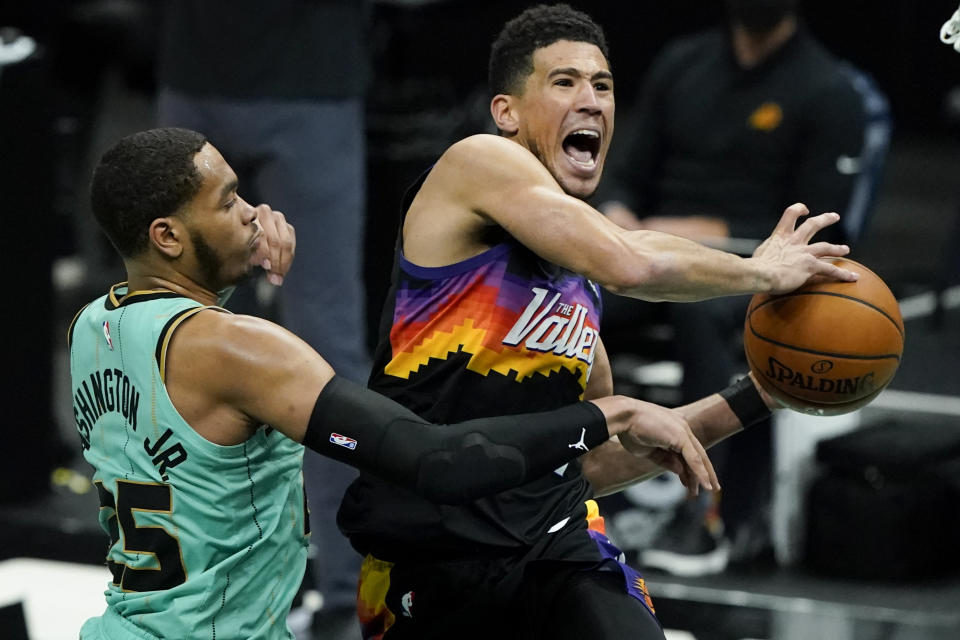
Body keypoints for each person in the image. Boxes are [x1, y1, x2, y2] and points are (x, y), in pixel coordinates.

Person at [70, 126, 726, 640]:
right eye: (229, 201)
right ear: (167, 235)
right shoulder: (236, 350)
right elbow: (434, 462)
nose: (255, 212)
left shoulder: (93, 328)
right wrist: (609, 415)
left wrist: (238, 270)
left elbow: (200, 408)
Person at [335, 4, 858, 639]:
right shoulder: (475, 162)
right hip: (429, 550)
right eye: (564, 82)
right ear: (507, 113)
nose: (592, 101)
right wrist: (760, 271)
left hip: (555, 546)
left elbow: (595, 458)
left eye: (603, 86)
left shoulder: (578, 292)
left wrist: (764, 393)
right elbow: (629, 259)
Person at [597, 0, 891, 575]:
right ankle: (537, 480)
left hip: (758, 269)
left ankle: (705, 517)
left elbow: (826, 227)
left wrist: (682, 238)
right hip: (652, 256)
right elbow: (627, 178)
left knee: (700, 313)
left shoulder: (831, 91)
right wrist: (619, 227)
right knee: (556, 295)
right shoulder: (681, 63)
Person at [154, 2, 372, 633]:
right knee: (182, 344)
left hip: (304, 78)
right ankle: (207, 589)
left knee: (323, 350)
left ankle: (348, 595)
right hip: (209, 79)